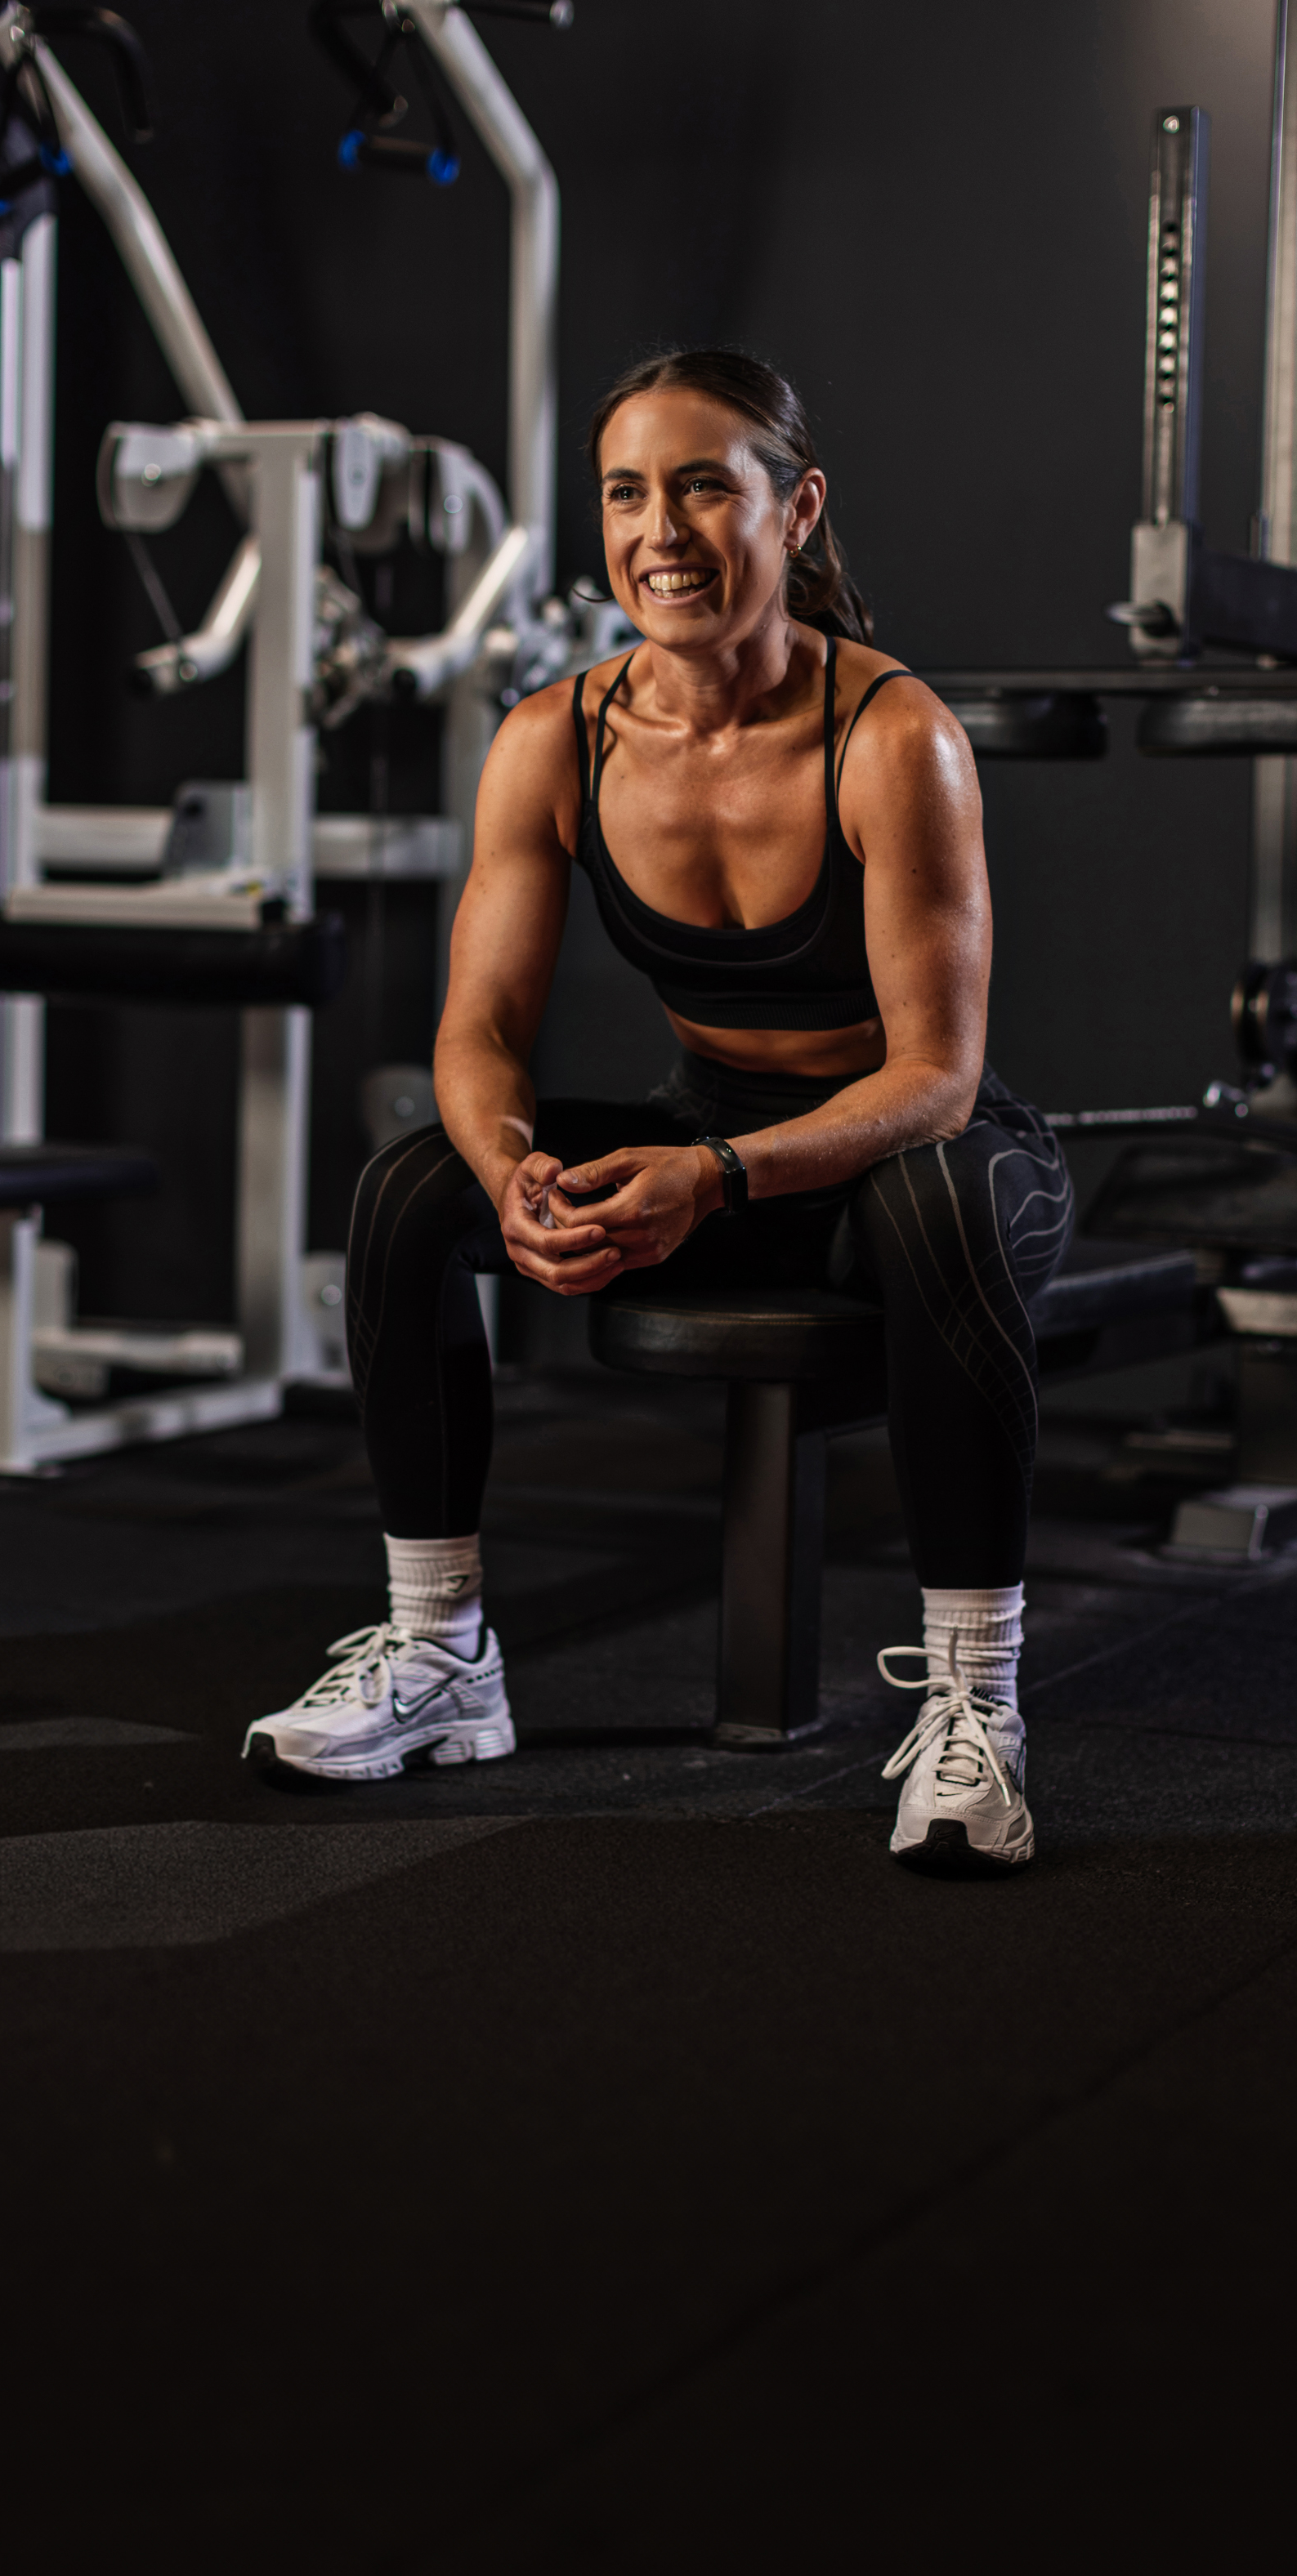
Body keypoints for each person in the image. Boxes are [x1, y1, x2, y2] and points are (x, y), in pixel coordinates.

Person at [244, 349, 1073, 1872]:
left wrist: (715, 1175)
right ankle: (441, 1655)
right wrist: (510, 1169)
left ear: (795, 511)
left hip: (903, 1158)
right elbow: (480, 1031)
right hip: (713, 1140)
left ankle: (977, 1705)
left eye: (704, 487)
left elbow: (934, 1079)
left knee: (937, 1195)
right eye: (627, 493)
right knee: (411, 1186)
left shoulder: (894, 738)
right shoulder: (553, 739)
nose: (661, 532)